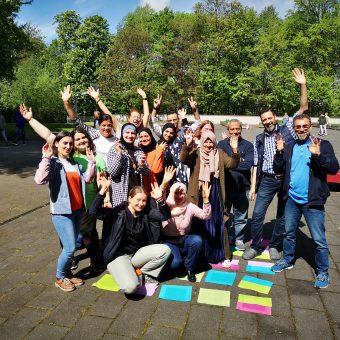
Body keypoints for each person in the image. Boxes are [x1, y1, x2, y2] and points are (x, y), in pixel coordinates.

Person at [19, 104, 107, 270]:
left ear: (89, 139)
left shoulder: (95, 157)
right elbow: (48, 135)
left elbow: (95, 179)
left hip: (89, 203)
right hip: (68, 205)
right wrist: (30, 119)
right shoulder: (68, 154)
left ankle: (94, 258)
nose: (80, 141)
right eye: (76, 140)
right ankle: (69, 259)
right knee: (68, 236)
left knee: (90, 235)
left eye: (84, 138)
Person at [242, 68, 308, 261]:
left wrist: (302, 84)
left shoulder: (288, 128)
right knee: (258, 214)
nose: (268, 121)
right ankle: (255, 245)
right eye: (264, 119)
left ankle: (274, 245)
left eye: (270, 118)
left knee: (282, 215)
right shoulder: (259, 138)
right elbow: (255, 163)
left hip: (286, 179)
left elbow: (303, 108)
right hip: (267, 180)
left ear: (275, 117)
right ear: (262, 122)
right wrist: (253, 185)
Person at [271, 114, 339, 289]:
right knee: (289, 233)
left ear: (310, 126)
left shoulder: (323, 145)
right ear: (294, 128)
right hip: (292, 199)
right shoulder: (290, 146)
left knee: (319, 239)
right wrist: (279, 152)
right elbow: (278, 168)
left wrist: (318, 156)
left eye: (305, 126)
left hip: (312, 201)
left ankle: (323, 271)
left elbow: (333, 168)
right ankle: (288, 259)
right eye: (298, 127)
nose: (301, 129)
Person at [34, 132, 96, 292]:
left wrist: (91, 163)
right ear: (56, 144)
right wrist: (45, 158)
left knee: (72, 246)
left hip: (77, 211)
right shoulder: (53, 163)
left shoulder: (73, 162)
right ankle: (60, 278)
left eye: (70, 143)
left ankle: (67, 273)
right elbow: (39, 180)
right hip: (62, 213)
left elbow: (87, 179)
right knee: (69, 248)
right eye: (64, 143)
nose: (68, 146)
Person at [90, 175, 171, 294]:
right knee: (131, 288)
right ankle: (119, 269)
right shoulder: (117, 212)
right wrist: (103, 190)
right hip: (118, 256)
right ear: (130, 198)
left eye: (144, 200)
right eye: (138, 200)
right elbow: (93, 212)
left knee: (165, 250)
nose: (141, 203)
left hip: (137, 255)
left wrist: (160, 201)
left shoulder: (145, 212)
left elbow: (165, 216)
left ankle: (144, 273)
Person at [180, 131, 240, 264]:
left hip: (215, 193)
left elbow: (232, 164)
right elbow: (183, 159)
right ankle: (200, 255)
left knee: (217, 223)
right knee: (198, 224)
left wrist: (235, 149)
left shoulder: (219, 153)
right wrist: (187, 144)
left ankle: (222, 255)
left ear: (214, 142)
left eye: (211, 141)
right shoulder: (196, 153)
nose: (208, 144)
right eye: (206, 141)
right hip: (199, 193)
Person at [162, 182, 211, 282]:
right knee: (175, 263)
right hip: (169, 241)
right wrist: (164, 184)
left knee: (197, 240)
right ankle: (180, 261)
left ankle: (190, 268)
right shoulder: (166, 205)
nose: (179, 196)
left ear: (186, 194)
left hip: (184, 239)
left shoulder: (190, 206)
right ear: (171, 193)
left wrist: (206, 200)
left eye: (182, 193)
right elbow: (159, 201)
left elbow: (205, 216)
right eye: (176, 193)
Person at [217, 119, 254, 250]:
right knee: (224, 215)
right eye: (232, 129)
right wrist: (237, 162)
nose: (235, 131)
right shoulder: (221, 144)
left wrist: (230, 163)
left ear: (241, 129)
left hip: (242, 187)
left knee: (241, 217)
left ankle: (239, 239)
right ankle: (225, 238)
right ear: (228, 130)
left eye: (237, 129)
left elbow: (247, 165)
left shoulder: (248, 145)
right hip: (225, 187)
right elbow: (219, 164)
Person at [107, 123, 149, 208]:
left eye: (133, 133)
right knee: (122, 218)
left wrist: (142, 164)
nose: (130, 135)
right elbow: (113, 172)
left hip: (136, 194)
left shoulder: (138, 150)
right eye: (127, 132)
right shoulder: (114, 149)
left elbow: (146, 172)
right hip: (121, 193)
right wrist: (119, 154)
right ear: (122, 133)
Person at [138, 127, 165, 195]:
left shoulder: (158, 150)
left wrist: (160, 150)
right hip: (141, 191)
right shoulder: (138, 151)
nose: (144, 139)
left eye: (146, 136)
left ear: (151, 136)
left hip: (155, 190)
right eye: (141, 137)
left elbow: (156, 170)